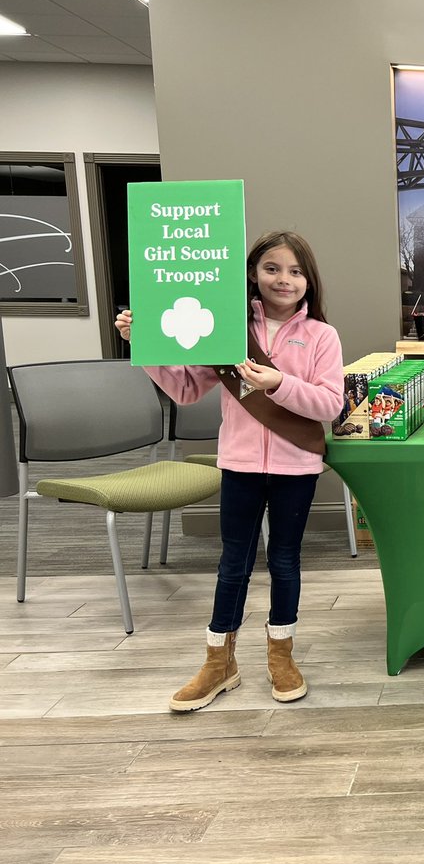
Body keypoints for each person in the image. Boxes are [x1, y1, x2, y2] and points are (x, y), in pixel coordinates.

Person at [114, 231, 344, 712]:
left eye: (296, 271)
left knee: (284, 560)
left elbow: (329, 403)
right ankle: (219, 663)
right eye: (272, 268)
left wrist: (279, 383)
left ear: (310, 279)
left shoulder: (322, 335)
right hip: (239, 462)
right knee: (232, 563)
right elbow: (185, 389)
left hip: (296, 465)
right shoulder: (227, 331)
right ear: (251, 275)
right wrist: (147, 346)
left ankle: (282, 656)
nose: (284, 279)